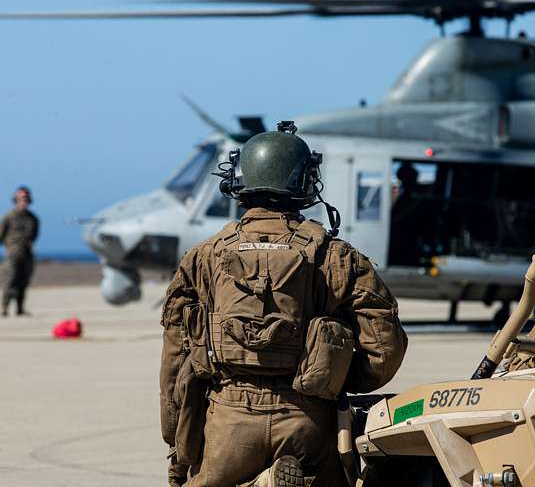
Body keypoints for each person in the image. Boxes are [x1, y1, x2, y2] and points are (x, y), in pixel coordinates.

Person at [160, 121, 408, 486]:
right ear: (304, 181)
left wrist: (177, 444)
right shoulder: (336, 257)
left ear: (240, 181)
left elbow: (175, 364)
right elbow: (384, 349)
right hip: (308, 418)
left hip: (228, 419)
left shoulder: (203, 257)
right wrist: (334, 379)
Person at [0, 186, 39, 316]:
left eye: (26, 199)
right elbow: (0, 235)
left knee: (23, 281)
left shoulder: (33, 218)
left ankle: (20, 308)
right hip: (12, 254)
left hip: (27, 253)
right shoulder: (8, 217)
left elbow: (34, 236)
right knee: (10, 280)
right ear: (16, 200)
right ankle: (4, 308)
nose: (24, 201)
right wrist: (10, 246)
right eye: (21, 199)